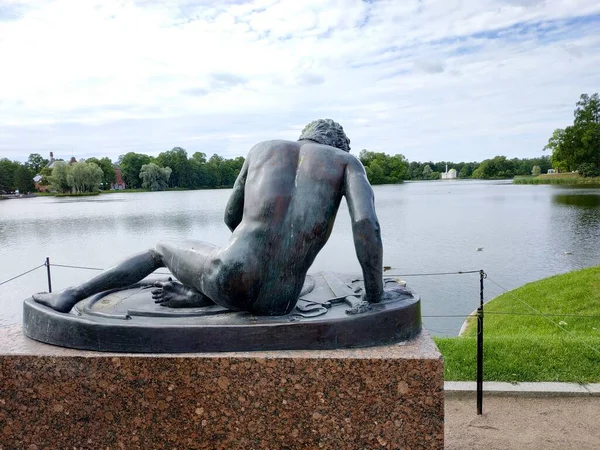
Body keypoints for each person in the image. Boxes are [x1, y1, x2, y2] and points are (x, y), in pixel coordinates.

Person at [34, 119, 384, 315]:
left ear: (304, 135)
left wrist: (247, 252)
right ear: (339, 146)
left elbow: (231, 214)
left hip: (230, 276)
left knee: (160, 248)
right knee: (228, 267)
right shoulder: (348, 164)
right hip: (281, 300)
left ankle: (70, 295)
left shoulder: (264, 149)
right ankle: (204, 290)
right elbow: (366, 226)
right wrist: (375, 296)